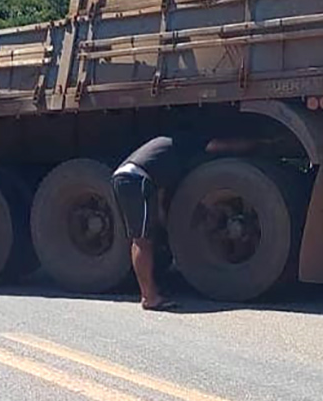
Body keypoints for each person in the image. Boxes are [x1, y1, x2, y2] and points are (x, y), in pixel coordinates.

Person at [110, 123, 260, 311]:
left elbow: (162, 195)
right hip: (135, 179)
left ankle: (152, 289)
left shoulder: (169, 152)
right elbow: (219, 146)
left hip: (130, 178)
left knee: (146, 236)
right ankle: (149, 297)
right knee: (142, 240)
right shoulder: (188, 142)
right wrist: (257, 145)